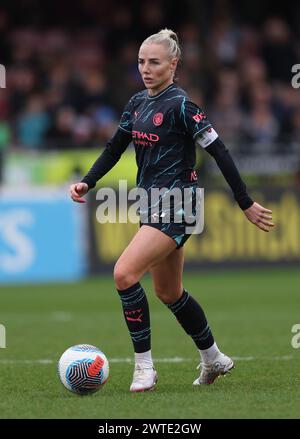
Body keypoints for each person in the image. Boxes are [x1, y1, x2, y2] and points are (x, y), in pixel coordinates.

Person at [70, 29, 275, 392]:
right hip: (151, 203)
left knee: (124, 274)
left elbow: (220, 152)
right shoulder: (136, 104)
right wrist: (88, 181)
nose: (145, 69)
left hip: (180, 204)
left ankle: (144, 368)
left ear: (173, 65)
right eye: (141, 62)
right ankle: (213, 358)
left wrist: (244, 202)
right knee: (169, 292)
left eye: (154, 62)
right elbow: (114, 148)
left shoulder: (183, 106)